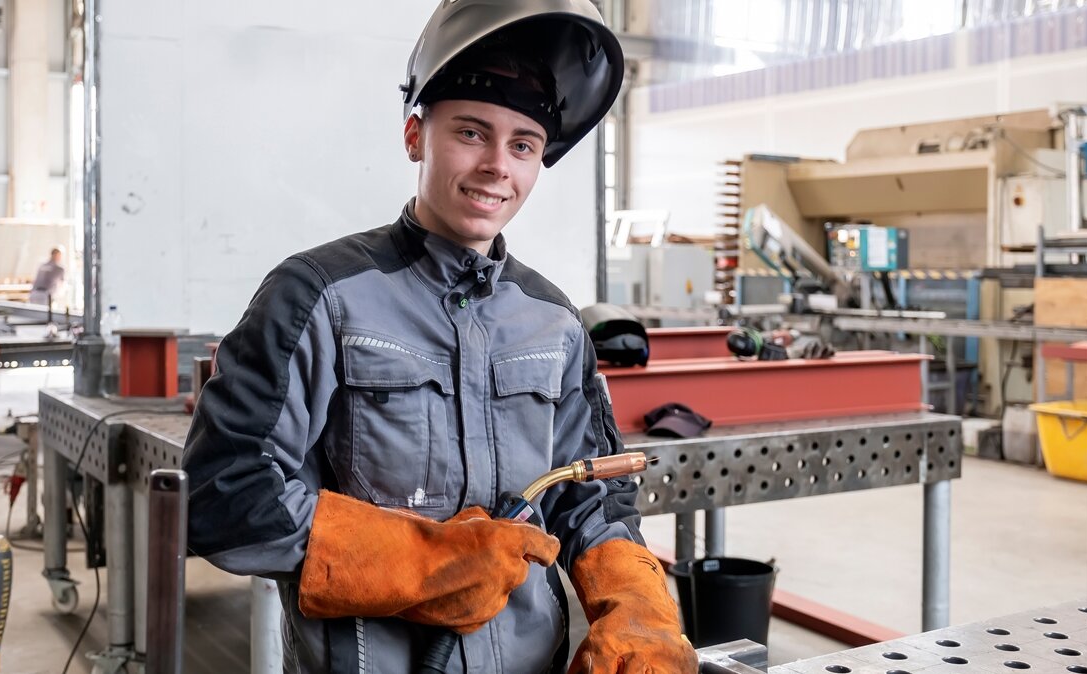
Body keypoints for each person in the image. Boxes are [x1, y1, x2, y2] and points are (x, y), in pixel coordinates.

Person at [182, 1, 699, 672]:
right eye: (471, 132)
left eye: (523, 144)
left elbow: (589, 497)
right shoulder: (317, 297)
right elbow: (223, 494)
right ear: (414, 137)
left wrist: (636, 608)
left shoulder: (554, 321)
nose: (496, 166)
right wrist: (420, 561)